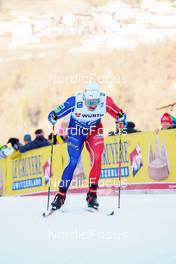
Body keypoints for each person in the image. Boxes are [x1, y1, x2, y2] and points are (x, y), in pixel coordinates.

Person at [48, 82, 126, 210]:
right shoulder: (74, 101)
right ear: (84, 98)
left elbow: (120, 114)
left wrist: (121, 119)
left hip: (94, 131)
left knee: (97, 157)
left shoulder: (106, 101)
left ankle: (92, 194)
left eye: (95, 101)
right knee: (73, 161)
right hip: (76, 131)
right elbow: (55, 113)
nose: (93, 105)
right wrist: (52, 117)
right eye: (89, 102)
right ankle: (61, 195)